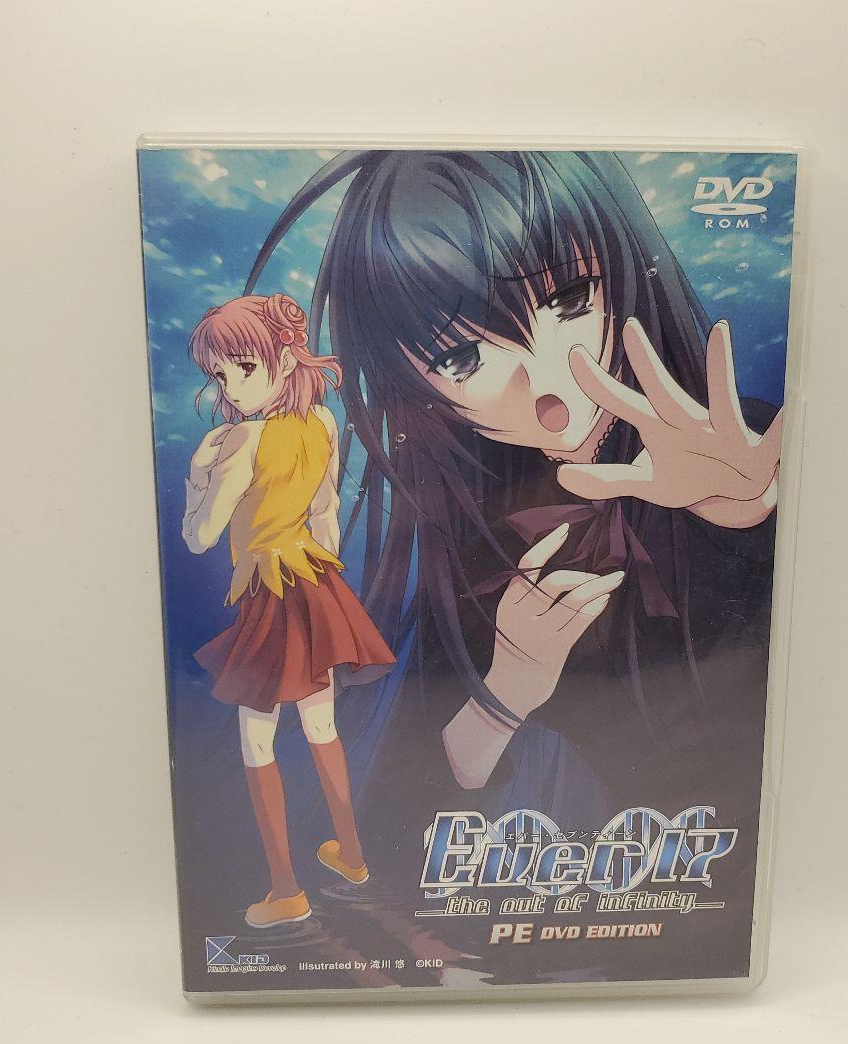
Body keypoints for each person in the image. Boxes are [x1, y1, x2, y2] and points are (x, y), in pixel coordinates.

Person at [247, 152, 783, 873]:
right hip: (638, 881)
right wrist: (508, 688)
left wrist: (749, 516)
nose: (549, 387)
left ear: (622, 268)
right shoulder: (479, 541)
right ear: (417, 387)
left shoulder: (744, 444)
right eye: (462, 359)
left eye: (571, 301)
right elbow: (408, 823)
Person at [182, 293, 396, 928]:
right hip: (316, 583)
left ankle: (286, 890)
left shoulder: (241, 440)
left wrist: (199, 475)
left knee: (258, 737)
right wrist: (325, 589)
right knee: (321, 724)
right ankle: (352, 855)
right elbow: (325, 514)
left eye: (242, 367)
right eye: (219, 374)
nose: (230, 386)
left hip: (269, 593)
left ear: (283, 358)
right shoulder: (322, 423)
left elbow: (200, 536)